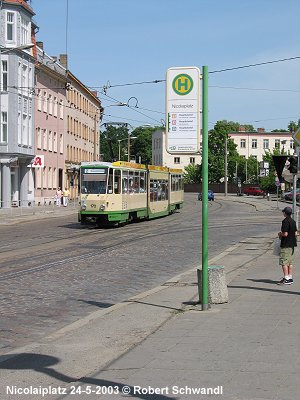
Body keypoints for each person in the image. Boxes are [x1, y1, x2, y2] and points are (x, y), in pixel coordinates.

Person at [277, 206, 297, 285]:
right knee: (290, 262)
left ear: (285, 213)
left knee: (284, 262)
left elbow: (285, 234)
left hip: (286, 244)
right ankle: (290, 277)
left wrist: (280, 234)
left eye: (283, 212)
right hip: (292, 244)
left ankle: (286, 278)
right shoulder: (293, 221)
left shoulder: (285, 221)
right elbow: (296, 233)